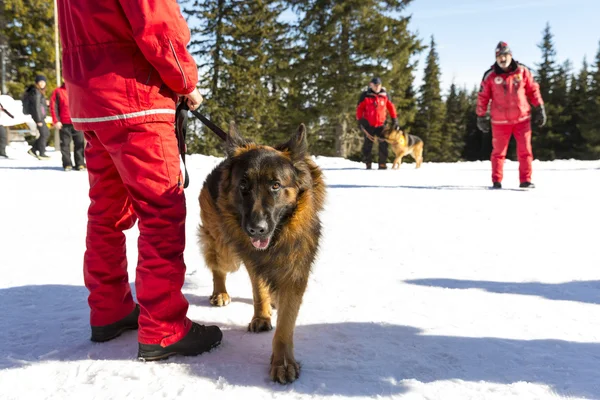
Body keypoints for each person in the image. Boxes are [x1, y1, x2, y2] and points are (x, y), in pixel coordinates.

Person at [56, 0, 222, 360]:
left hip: (89, 100)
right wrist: (186, 82)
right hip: (136, 97)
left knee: (106, 212)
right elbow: (157, 23)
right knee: (161, 210)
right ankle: (164, 329)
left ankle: (109, 310)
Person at [476, 41, 546, 189]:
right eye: (499, 56)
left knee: (525, 151)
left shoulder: (522, 71)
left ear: (510, 55)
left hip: (522, 119)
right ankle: (496, 180)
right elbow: (483, 97)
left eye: (505, 55)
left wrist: (539, 107)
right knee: (498, 153)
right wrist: (481, 115)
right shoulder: (490, 76)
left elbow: (533, 90)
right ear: (496, 58)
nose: (502, 59)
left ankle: (525, 180)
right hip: (500, 121)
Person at [356, 77, 399, 170]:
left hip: (381, 124)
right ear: (370, 85)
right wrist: (360, 120)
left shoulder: (385, 95)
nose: (377, 87)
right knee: (367, 145)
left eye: (378, 85)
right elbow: (359, 108)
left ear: (381, 85)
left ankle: (382, 164)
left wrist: (394, 119)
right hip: (368, 124)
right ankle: (368, 163)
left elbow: (391, 108)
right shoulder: (365, 95)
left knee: (383, 144)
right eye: (375, 85)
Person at [49, 83, 86, 171]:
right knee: (65, 144)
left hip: (78, 122)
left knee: (79, 143)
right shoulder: (58, 91)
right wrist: (56, 120)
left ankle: (80, 164)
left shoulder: (78, 89)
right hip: (64, 123)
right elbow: (53, 107)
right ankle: (67, 164)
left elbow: (84, 104)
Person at [24, 75, 51, 160]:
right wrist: (38, 119)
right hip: (38, 117)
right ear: (37, 83)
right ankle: (41, 153)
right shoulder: (36, 92)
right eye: (41, 82)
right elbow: (36, 106)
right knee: (44, 134)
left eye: (44, 82)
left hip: (40, 117)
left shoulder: (39, 92)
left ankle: (34, 149)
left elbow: (40, 105)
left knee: (45, 133)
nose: (43, 84)